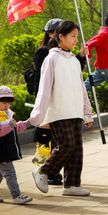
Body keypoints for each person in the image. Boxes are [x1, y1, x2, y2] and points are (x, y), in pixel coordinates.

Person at [30, 21, 94, 197]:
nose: (75, 40)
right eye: (72, 36)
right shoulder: (52, 58)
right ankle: (43, 172)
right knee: (67, 145)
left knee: (77, 150)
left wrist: (87, 112)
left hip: (75, 111)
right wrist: (38, 115)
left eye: (76, 36)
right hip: (58, 111)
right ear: (61, 37)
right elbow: (44, 88)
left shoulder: (73, 60)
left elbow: (82, 88)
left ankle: (71, 185)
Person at [0, 86, 33, 205]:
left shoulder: (4, 114)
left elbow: (14, 127)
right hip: (0, 151)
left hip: (4, 150)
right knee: (10, 173)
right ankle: (16, 195)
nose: (6, 106)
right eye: (3, 103)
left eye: (8, 103)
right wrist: (10, 125)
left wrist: (27, 123)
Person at [85, 13, 108, 97]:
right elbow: (88, 44)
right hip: (107, 68)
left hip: (103, 69)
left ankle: (73, 95)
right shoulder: (103, 35)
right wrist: (88, 56)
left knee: (85, 87)